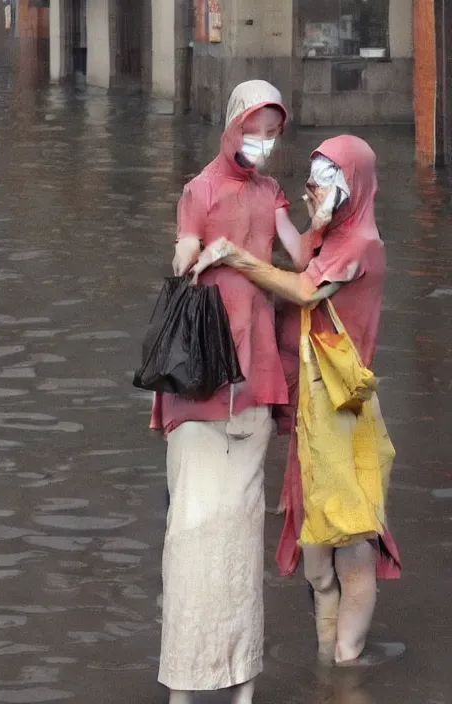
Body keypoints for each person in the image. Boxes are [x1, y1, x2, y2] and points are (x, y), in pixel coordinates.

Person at [191, 135, 402, 665]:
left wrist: (235, 256)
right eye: (316, 174)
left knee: (351, 546)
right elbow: (302, 248)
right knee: (316, 560)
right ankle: (330, 665)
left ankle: (346, 662)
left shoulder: (360, 246)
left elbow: (305, 289)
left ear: (353, 183)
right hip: (316, 408)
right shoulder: (335, 238)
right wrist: (274, 201)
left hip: (344, 409)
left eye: (330, 176)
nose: (318, 186)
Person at [150, 80, 327, 704]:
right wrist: (189, 251)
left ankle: (242, 684)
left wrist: (324, 213)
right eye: (254, 129)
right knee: (193, 532)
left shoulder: (272, 192)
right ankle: (184, 684)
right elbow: (184, 253)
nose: (262, 143)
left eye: (272, 133)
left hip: (253, 385)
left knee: (240, 532)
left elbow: (302, 256)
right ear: (232, 125)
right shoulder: (198, 190)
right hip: (199, 383)